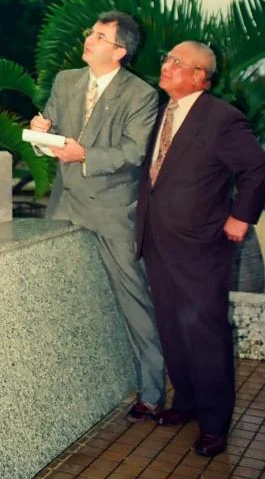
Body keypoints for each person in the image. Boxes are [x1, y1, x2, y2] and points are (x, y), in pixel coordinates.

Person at [31, 10, 165, 422]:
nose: (89, 38)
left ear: (120, 51)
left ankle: (153, 392)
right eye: (92, 31)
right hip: (65, 205)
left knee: (134, 303)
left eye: (101, 36)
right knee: (56, 297)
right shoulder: (66, 81)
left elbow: (133, 153)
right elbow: (49, 136)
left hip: (112, 211)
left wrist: (84, 153)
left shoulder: (140, 95)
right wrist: (40, 132)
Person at [136, 41, 265, 458]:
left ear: (199, 75)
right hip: (158, 238)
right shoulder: (163, 112)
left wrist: (240, 218)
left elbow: (257, 168)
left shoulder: (222, 118)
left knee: (205, 332)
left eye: (177, 62)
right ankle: (186, 402)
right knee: (173, 326)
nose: (167, 65)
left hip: (201, 245)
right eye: (166, 58)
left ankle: (214, 423)